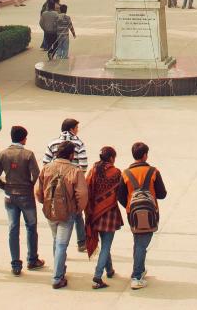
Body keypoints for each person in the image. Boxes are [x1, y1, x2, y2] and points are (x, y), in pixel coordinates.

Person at [0, 126, 44, 276]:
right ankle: (32, 259)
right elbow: (36, 176)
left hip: (10, 197)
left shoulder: (2, 155)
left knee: (13, 229)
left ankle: (15, 264)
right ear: (23, 138)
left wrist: (6, 187)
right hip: (26, 196)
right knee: (31, 227)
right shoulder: (28, 155)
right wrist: (30, 188)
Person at [35, 141, 88, 289]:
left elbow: (38, 190)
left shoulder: (47, 168)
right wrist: (78, 209)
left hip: (50, 211)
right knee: (61, 244)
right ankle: (57, 277)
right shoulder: (75, 171)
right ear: (71, 154)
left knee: (56, 240)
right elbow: (82, 194)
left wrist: (44, 202)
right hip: (67, 213)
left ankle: (59, 269)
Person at [118, 142, 167, 290]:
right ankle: (137, 276)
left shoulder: (125, 173)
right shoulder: (153, 171)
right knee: (141, 244)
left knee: (138, 240)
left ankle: (140, 269)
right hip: (150, 213)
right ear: (145, 155)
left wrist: (129, 206)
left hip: (132, 214)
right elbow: (162, 194)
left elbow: (120, 196)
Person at [42, 118, 89, 251]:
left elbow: (46, 163)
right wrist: (78, 177)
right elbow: (84, 165)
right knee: (78, 214)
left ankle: (57, 246)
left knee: (56, 209)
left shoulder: (53, 143)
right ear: (71, 129)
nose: (77, 130)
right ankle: (81, 242)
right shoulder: (78, 143)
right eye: (76, 128)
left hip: (54, 183)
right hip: (73, 182)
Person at [84, 146, 123, 288]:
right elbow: (120, 193)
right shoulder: (116, 172)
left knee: (105, 245)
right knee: (106, 245)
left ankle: (110, 270)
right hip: (110, 214)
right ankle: (97, 276)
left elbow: (87, 188)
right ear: (112, 158)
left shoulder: (94, 170)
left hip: (94, 213)